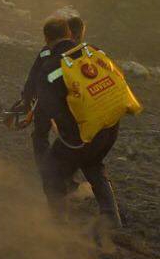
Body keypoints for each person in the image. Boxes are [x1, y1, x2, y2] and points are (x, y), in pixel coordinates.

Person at [33, 17, 123, 229]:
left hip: (81, 133)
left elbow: (48, 108)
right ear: (70, 33)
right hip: (110, 127)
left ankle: (58, 224)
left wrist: (50, 131)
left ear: (46, 38)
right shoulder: (94, 52)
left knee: (51, 172)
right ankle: (111, 217)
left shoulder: (52, 66)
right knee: (93, 164)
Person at [18, 17, 73, 168]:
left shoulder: (46, 52)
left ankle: (46, 170)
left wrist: (27, 101)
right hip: (78, 103)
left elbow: (34, 77)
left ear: (46, 37)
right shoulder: (81, 51)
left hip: (49, 101)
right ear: (69, 33)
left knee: (41, 135)